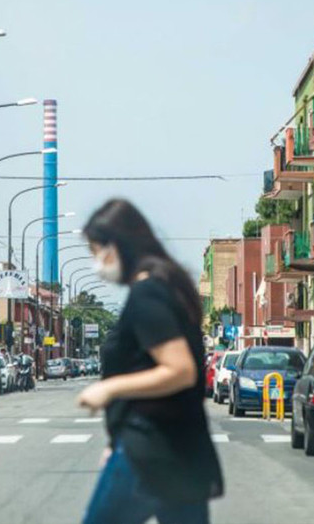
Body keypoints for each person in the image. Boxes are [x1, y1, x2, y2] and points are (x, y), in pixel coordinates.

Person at [77, 199, 223, 524]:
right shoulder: (166, 286)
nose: (96, 262)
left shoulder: (148, 294)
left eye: (97, 250)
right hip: (176, 449)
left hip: (149, 450)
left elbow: (179, 370)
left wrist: (109, 389)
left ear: (118, 246)